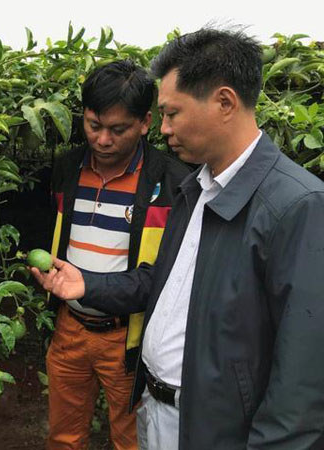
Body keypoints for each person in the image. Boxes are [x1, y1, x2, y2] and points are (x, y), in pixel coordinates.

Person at [32, 28, 324, 450]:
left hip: (208, 423)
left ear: (224, 102)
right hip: (160, 409)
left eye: (172, 113)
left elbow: (302, 387)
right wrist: (88, 285)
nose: (164, 128)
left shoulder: (299, 206)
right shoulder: (197, 190)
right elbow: (162, 286)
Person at [44, 59, 189, 450]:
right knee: (63, 435)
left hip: (127, 339)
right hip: (69, 329)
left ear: (145, 121)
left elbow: (162, 278)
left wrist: (88, 285)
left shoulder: (171, 183)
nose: (103, 140)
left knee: (131, 439)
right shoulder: (68, 168)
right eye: (94, 125)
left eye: (117, 129)